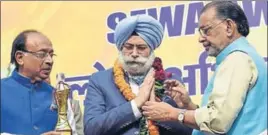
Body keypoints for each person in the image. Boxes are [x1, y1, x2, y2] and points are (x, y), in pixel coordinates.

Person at [141, 1, 267, 135]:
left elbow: (218, 122)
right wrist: (188, 105)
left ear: (229, 27)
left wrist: (173, 113)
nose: (201, 39)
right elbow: (222, 116)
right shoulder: (245, 56)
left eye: (206, 30)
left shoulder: (236, 59)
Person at [83, 15, 193, 135]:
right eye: (128, 47)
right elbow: (91, 129)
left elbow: (191, 130)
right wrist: (135, 105)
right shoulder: (100, 81)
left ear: (151, 50)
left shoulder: (171, 82)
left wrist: (162, 113)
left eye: (141, 48)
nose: (134, 53)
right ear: (120, 48)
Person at [1, 29, 83, 135]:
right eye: (41, 54)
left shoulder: (59, 96)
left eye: (51, 55)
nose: (50, 61)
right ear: (20, 58)